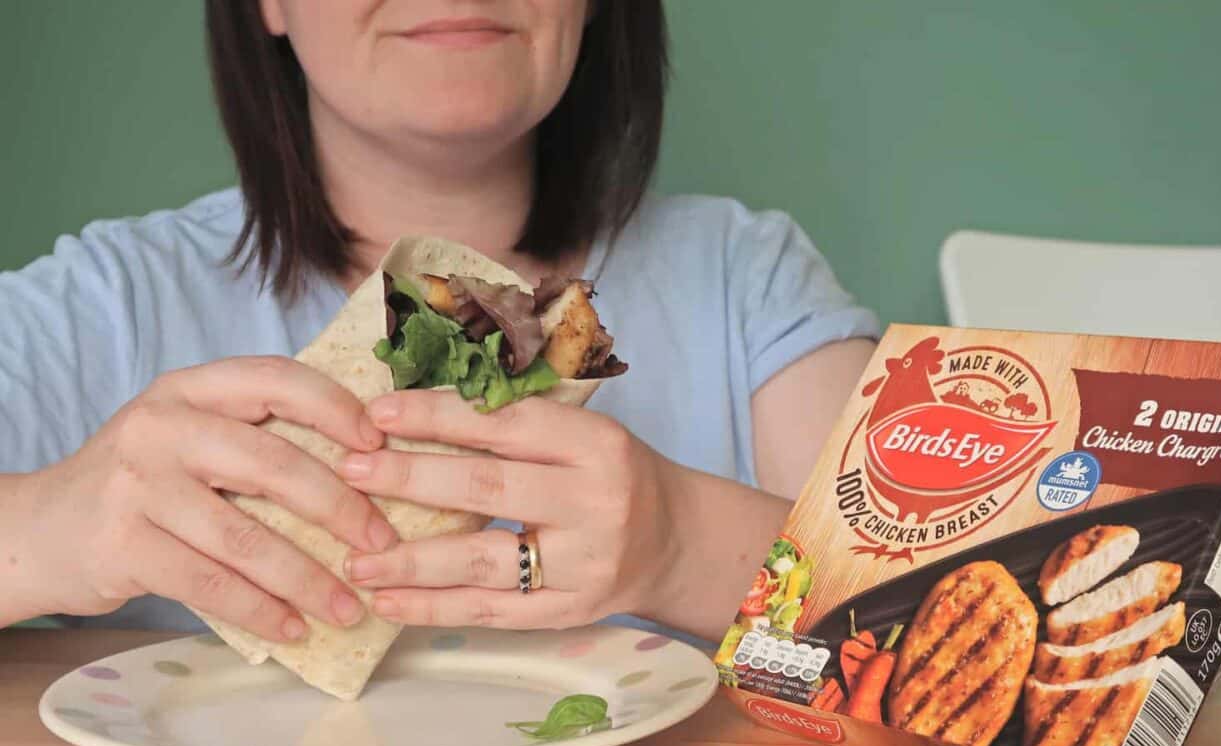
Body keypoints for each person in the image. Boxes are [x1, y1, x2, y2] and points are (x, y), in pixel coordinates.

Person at [0, 0, 877, 646]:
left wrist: (682, 544)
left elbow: (948, 638)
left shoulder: (745, 282)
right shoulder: (104, 307)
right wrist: (46, 526)